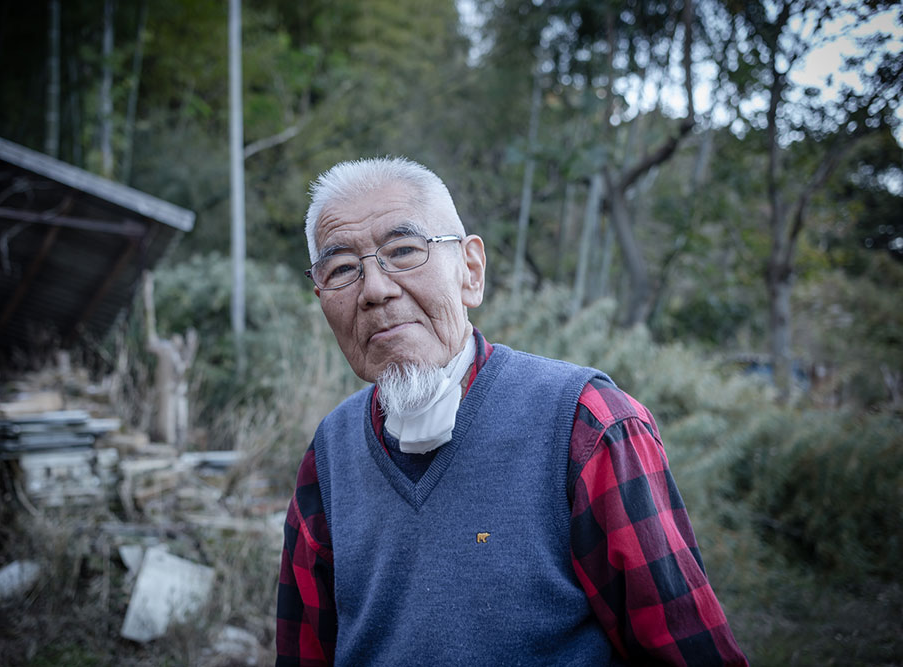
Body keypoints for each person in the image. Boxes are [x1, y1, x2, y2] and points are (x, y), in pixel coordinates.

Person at [276, 157, 748, 666]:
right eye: (343, 269)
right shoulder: (329, 453)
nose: (374, 289)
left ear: (470, 272)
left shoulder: (586, 425)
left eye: (404, 251)